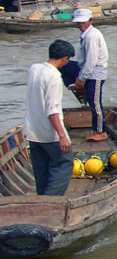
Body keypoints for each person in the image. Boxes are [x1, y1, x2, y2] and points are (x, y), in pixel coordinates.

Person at [24, 39, 76, 197]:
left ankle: (42, 200)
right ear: (65, 58)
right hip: (49, 134)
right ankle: (51, 202)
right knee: (64, 162)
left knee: (41, 169)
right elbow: (52, 110)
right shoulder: (54, 76)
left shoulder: (34, 69)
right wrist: (62, 135)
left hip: (32, 132)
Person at [62, 8, 110, 142]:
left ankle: (101, 132)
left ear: (90, 21)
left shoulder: (91, 36)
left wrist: (81, 78)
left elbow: (92, 61)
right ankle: (77, 88)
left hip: (94, 75)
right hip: (84, 69)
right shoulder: (86, 35)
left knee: (95, 104)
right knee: (63, 65)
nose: (81, 25)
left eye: (84, 22)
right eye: (78, 22)